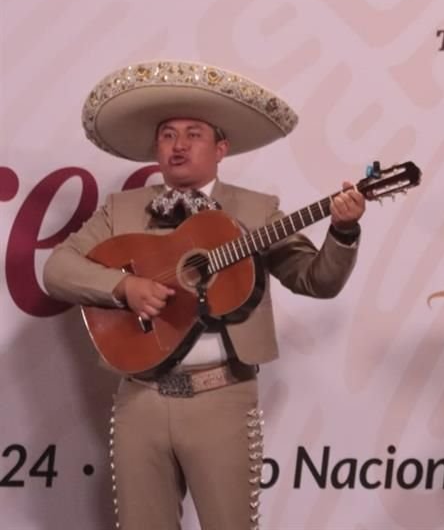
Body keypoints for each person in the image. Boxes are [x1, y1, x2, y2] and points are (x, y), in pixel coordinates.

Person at [42, 61, 366, 530]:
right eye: (168, 134)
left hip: (222, 397)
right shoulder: (123, 209)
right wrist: (123, 286)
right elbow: (57, 269)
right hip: (140, 401)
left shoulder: (257, 211)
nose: (178, 145)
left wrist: (343, 229)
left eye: (193, 133)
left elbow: (317, 280)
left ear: (221, 148)